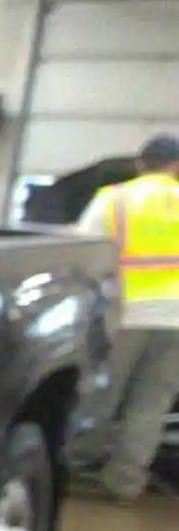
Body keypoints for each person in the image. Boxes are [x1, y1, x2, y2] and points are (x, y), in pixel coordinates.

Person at [77, 133, 179, 500]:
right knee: (151, 404)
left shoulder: (114, 200)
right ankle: (125, 483)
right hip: (176, 323)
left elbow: (84, 255)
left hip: (123, 313)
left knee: (102, 393)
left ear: (140, 163)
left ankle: (75, 467)